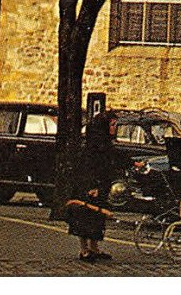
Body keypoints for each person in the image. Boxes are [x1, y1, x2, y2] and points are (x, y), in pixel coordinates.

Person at [64, 111, 117, 262]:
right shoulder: (94, 144)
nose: (114, 128)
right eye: (112, 124)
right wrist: (92, 185)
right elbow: (89, 166)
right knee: (85, 215)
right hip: (89, 185)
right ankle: (84, 250)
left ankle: (94, 247)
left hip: (101, 184)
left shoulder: (105, 142)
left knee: (97, 217)